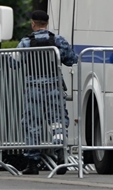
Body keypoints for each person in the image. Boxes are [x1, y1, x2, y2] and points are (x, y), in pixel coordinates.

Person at [16, 10, 77, 175]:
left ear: (33, 23)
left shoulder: (25, 42)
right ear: (47, 23)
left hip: (33, 89)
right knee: (57, 122)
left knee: (32, 124)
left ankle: (32, 163)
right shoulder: (58, 41)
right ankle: (60, 156)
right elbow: (71, 59)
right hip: (54, 87)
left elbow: (14, 63)